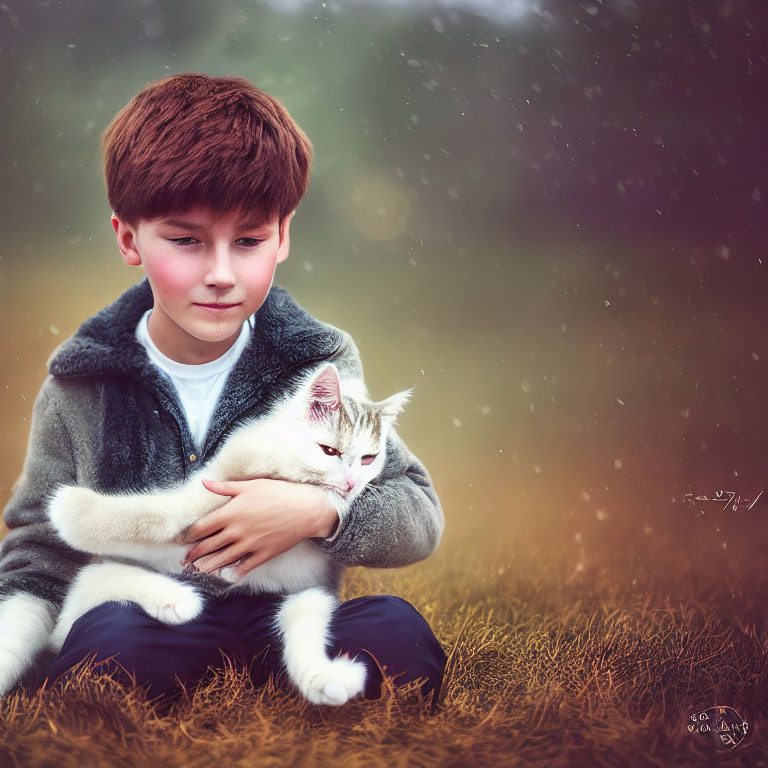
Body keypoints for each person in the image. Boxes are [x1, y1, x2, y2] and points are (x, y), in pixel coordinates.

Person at [0, 73, 445, 704]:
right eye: (185, 241)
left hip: (288, 617)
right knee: (109, 648)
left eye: (249, 241)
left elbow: (416, 512)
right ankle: (163, 671)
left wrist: (320, 513)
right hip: (155, 616)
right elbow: (39, 555)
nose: (220, 274)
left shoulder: (317, 360)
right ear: (129, 239)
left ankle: (287, 673)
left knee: (400, 637)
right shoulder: (82, 380)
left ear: (283, 236)